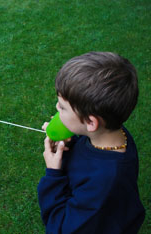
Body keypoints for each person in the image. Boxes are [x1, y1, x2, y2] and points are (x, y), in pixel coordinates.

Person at [38, 52, 145, 233]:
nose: (57, 109)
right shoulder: (117, 135)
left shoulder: (103, 182)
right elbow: (86, 159)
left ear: (90, 122)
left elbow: (62, 228)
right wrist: (69, 144)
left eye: (62, 108)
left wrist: (53, 175)